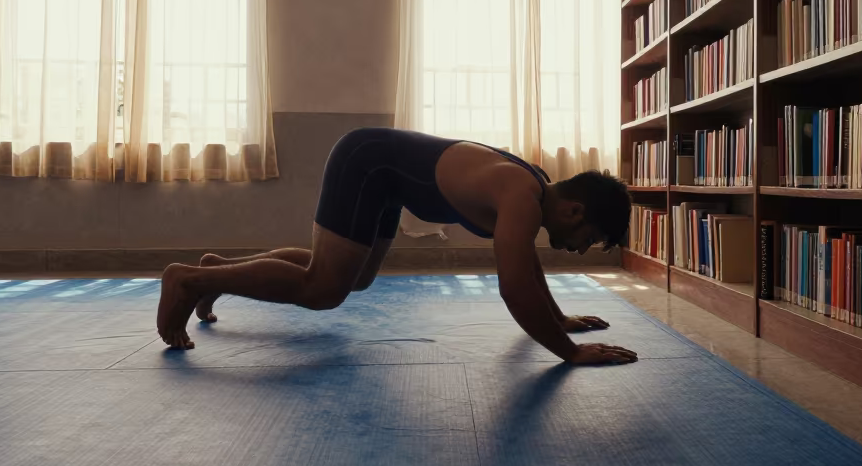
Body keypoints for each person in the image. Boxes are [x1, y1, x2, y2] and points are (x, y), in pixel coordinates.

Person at [156, 128, 639, 365]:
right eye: (591, 239)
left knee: (356, 277)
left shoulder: (534, 189)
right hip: (368, 164)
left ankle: (217, 272)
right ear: (575, 211)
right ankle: (188, 280)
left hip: (386, 179)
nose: (581, 250)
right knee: (323, 289)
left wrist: (559, 319)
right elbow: (514, 288)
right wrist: (569, 353)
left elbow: (526, 266)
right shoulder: (522, 197)